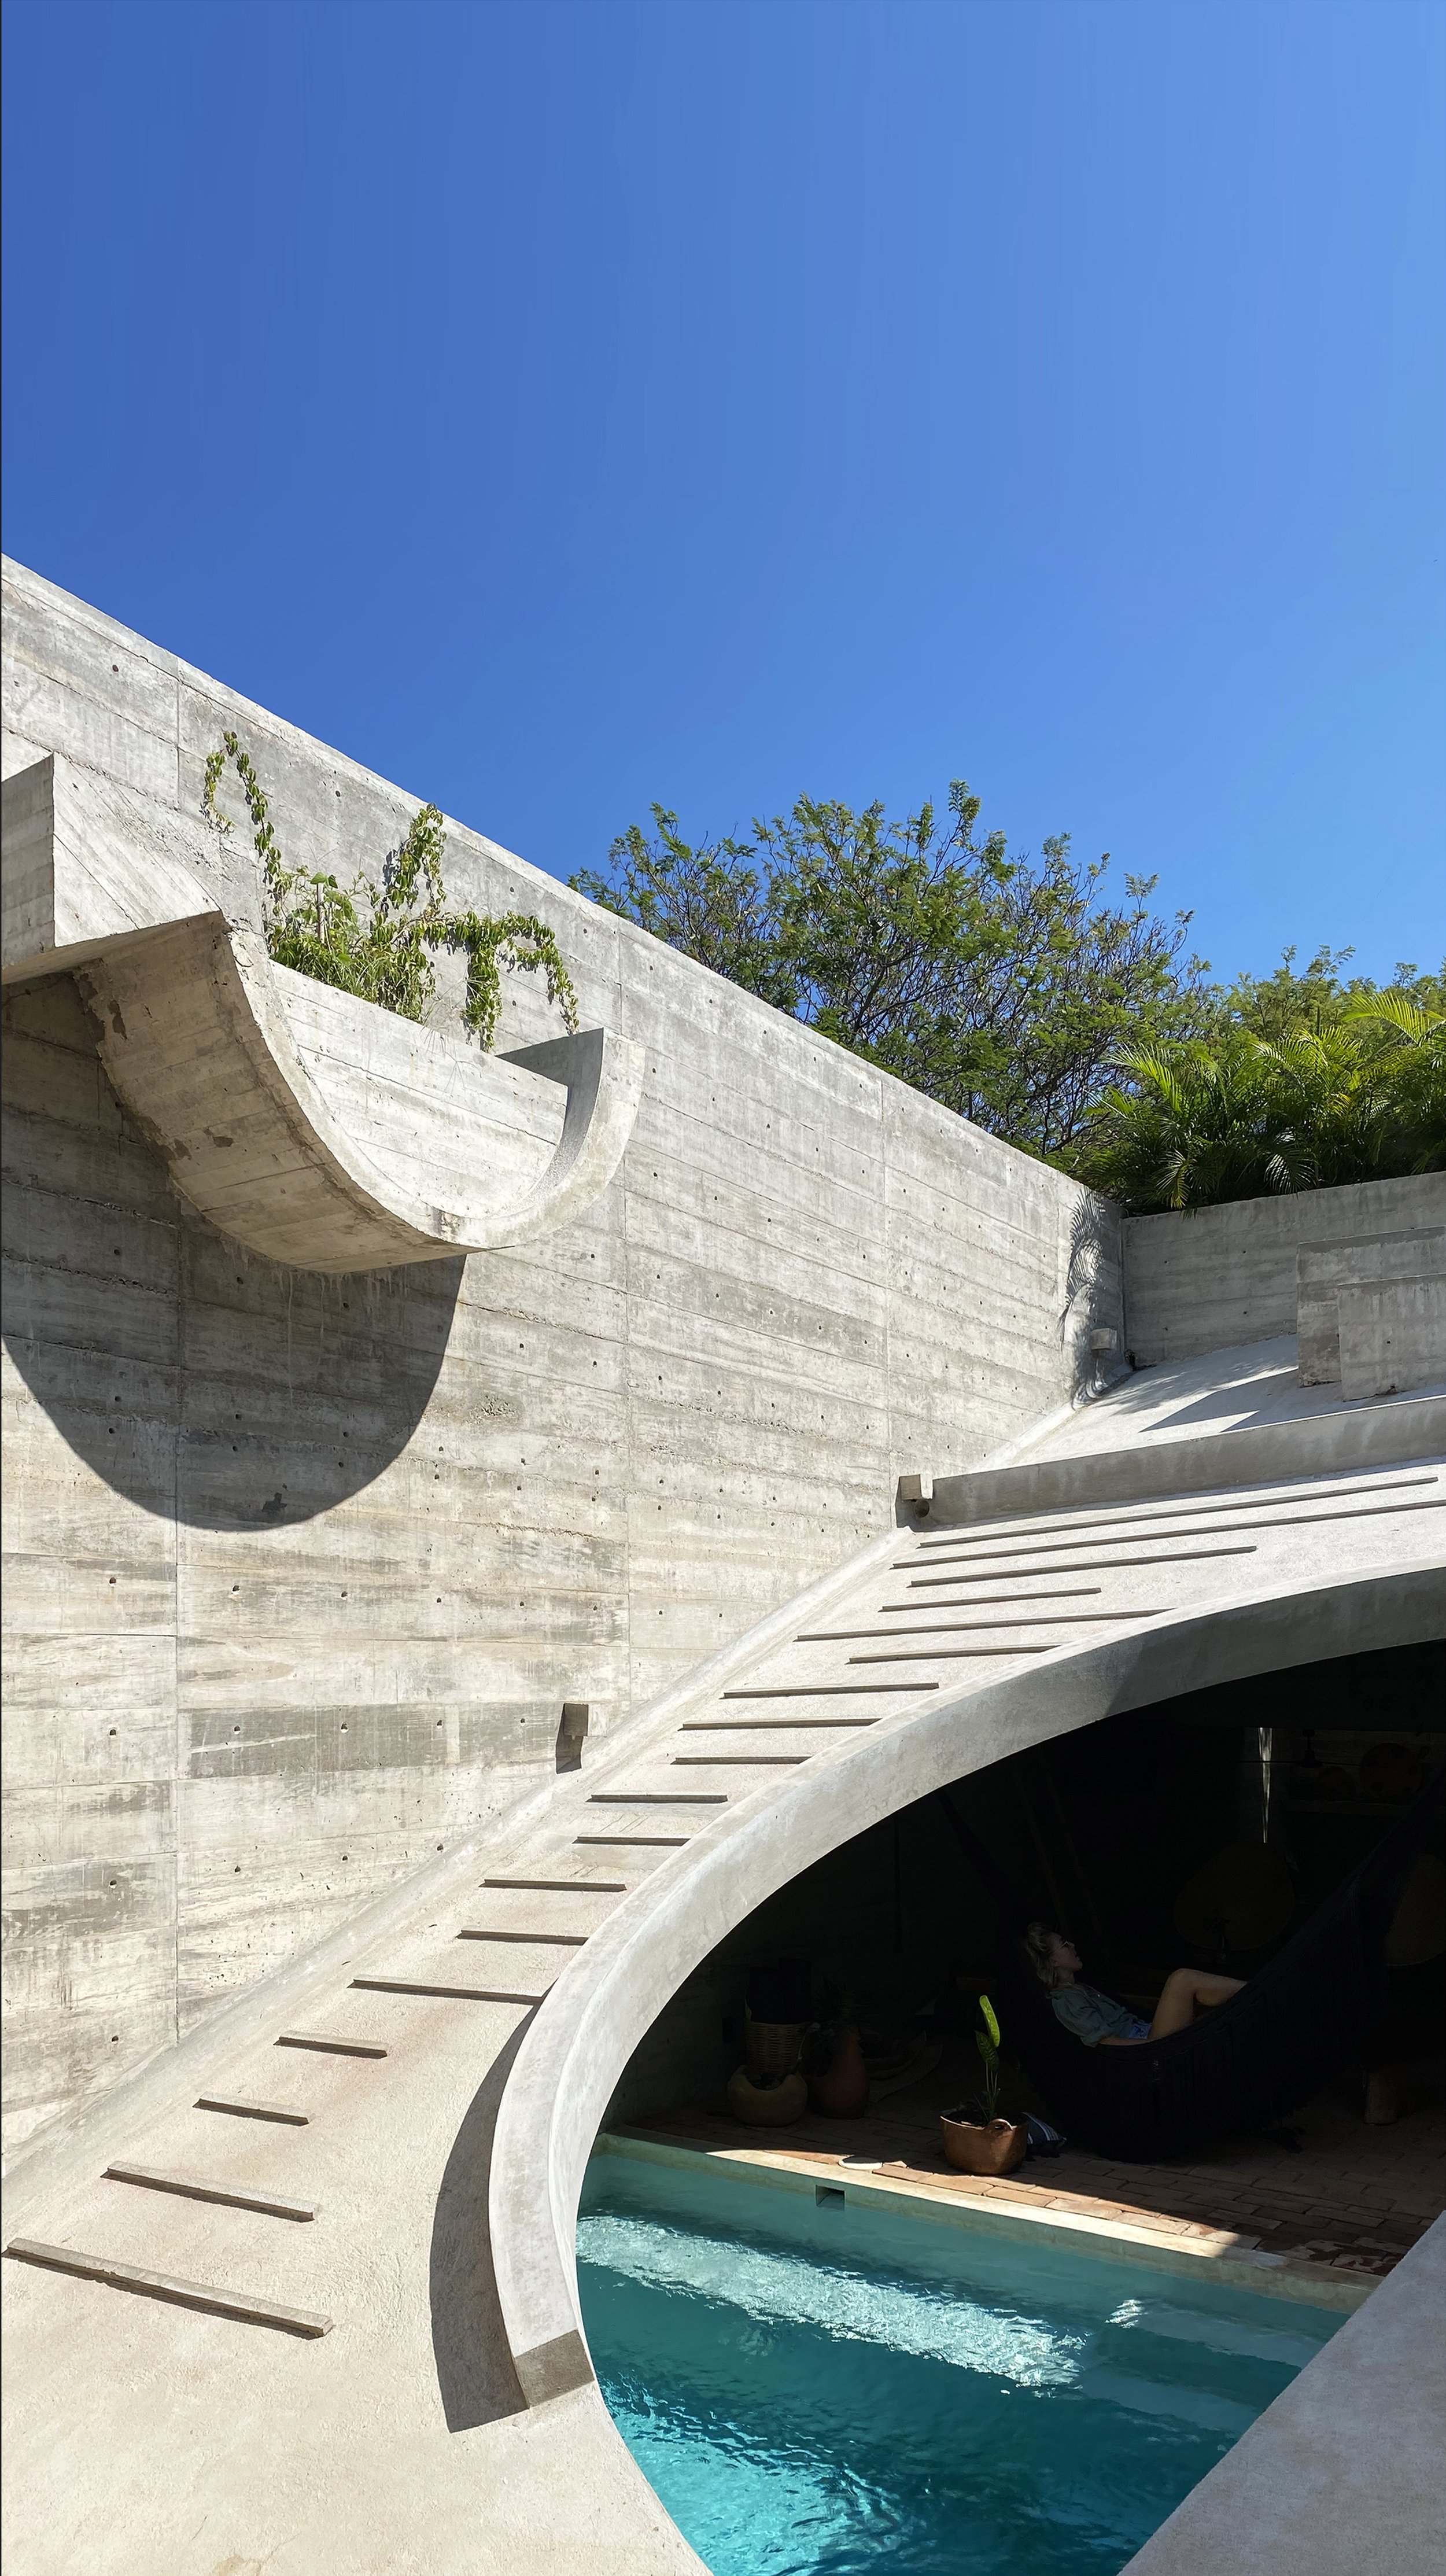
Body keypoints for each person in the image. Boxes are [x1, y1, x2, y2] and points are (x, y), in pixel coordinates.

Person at [1024, 1923, 1244, 2047]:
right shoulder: (1066, 2001)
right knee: (1181, 1980)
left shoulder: (1082, 1988)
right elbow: (1106, 2043)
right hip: (1145, 2044)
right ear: (1053, 1962)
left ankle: (1258, 1995)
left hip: (1146, 2030)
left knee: (1216, 2018)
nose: (1072, 1945)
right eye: (1064, 1945)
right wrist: (1151, 2050)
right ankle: (1259, 1989)